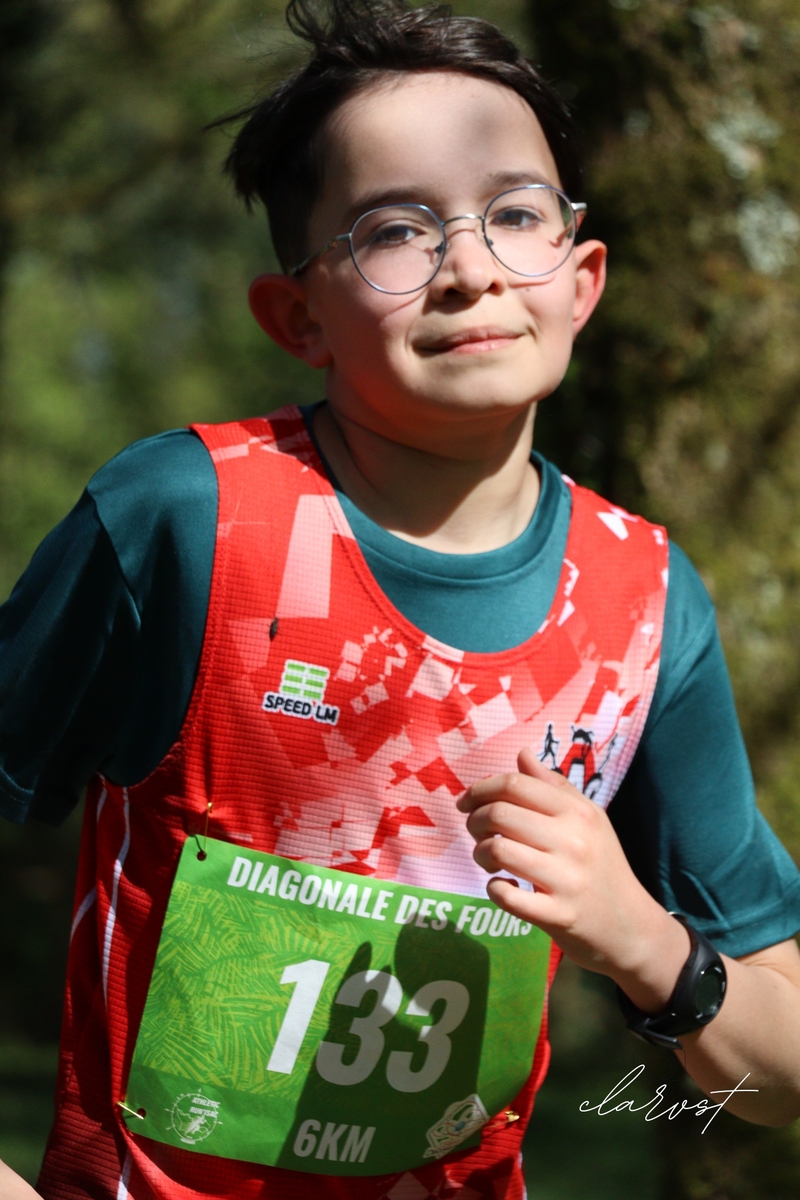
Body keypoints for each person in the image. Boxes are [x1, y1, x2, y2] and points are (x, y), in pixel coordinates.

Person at [1, 1, 800, 1197]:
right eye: (395, 232)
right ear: (297, 318)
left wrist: (645, 943)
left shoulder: (644, 602)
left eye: (514, 215)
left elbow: (777, 1079)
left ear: (581, 280)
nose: (471, 269)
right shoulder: (184, 520)